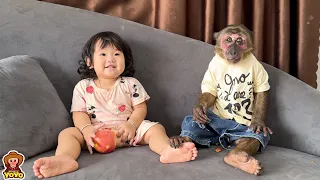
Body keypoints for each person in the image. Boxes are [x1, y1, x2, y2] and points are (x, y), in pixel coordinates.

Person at [33, 31, 198, 178]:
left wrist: (132, 125)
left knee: (156, 128)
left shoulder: (130, 83)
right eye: (103, 54)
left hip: (126, 133)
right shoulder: (83, 87)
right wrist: (85, 129)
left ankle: (167, 151)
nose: (111, 59)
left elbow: (140, 108)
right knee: (67, 134)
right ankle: (65, 159)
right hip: (94, 136)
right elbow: (79, 113)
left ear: (125, 60)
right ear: (90, 62)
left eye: (117, 54)